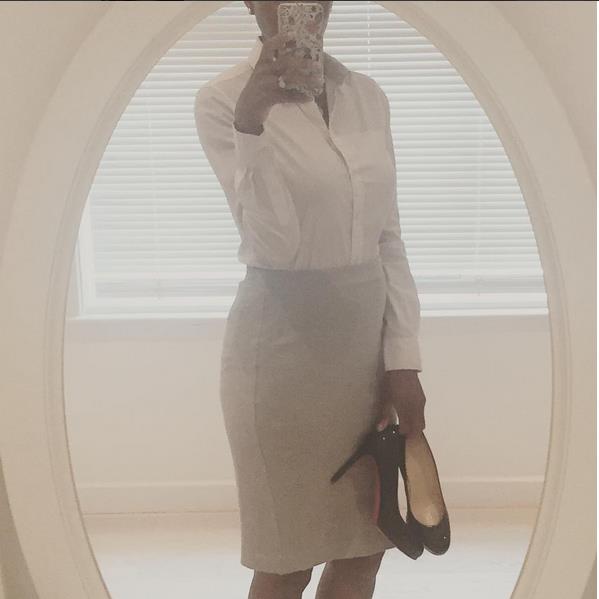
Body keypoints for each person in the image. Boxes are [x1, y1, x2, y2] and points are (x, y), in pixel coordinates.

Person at [194, 2, 430, 597]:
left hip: (363, 356)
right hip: (280, 350)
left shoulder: (366, 95)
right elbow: (273, 244)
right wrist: (252, 125)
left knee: (365, 548)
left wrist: (403, 359)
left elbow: (388, 237)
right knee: (287, 558)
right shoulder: (223, 100)